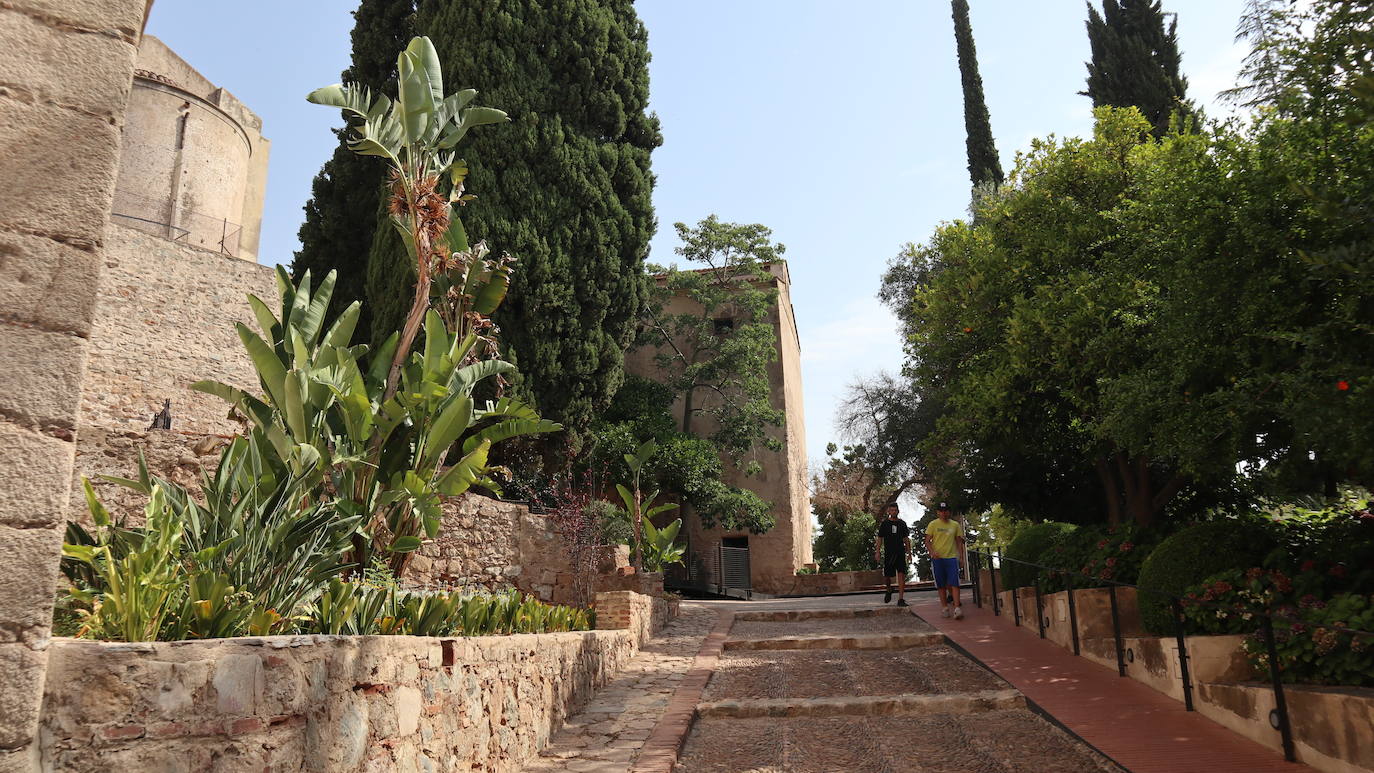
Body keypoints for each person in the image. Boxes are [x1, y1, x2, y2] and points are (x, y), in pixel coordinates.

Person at [925, 502, 966, 619]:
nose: (943, 513)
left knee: (955, 583)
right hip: (938, 559)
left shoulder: (955, 525)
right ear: (938, 512)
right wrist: (932, 552)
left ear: (949, 512)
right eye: (941, 511)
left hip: (952, 558)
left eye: (946, 510)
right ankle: (944, 608)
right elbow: (927, 541)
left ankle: (957, 608)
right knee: (941, 584)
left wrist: (961, 557)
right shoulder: (933, 524)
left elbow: (959, 542)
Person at [873, 501, 912, 606]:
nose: (894, 512)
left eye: (895, 510)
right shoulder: (885, 524)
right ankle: (889, 589)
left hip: (900, 553)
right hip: (889, 553)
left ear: (898, 511)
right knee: (887, 576)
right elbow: (880, 538)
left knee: (901, 575)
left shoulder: (902, 523)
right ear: (888, 511)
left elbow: (906, 539)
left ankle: (901, 599)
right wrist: (877, 552)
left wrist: (909, 553)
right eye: (892, 510)